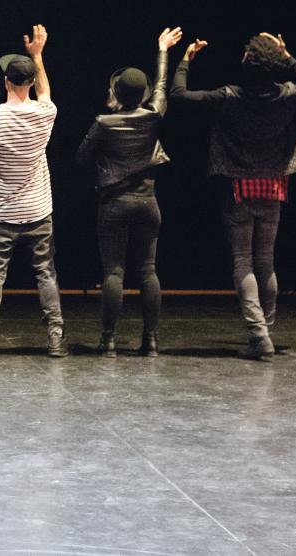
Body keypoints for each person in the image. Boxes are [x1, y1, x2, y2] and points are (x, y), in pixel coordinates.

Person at [171, 31, 296, 361]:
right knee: (265, 261)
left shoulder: (230, 97)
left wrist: (185, 60)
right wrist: (288, 56)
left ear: (247, 63)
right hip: (273, 188)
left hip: (240, 189)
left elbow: (179, 95)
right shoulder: (287, 95)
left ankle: (259, 335)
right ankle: (263, 332)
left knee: (243, 261)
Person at [76, 28, 182, 358]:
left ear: (117, 92)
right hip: (148, 203)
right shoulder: (153, 117)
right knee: (148, 270)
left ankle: (108, 341)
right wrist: (163, 50)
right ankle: (150, 341)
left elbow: (81, 157)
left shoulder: (104, 123)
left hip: (114, 204)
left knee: (113, 272)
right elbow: (163, 86)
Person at [0, 25, 67, 358]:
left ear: (6, 82)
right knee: (45, 272)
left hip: (2, 211)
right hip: (39, 209)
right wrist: (38, 55)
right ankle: (55, 337)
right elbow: (46, 92)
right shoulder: (46, 113)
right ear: (29, 84)